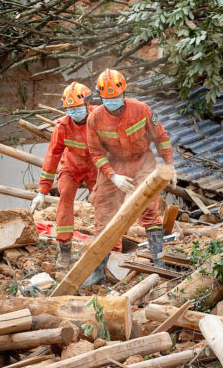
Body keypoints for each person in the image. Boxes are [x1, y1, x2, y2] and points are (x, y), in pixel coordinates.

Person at [84, 69, 175, 285]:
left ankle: (158, 263)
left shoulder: (141, 110)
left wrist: (169, 165)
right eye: (107, 99)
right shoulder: (94, 119)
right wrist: (113, 176)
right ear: (100, 98)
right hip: (113, 163)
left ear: (124, 93)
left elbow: (160, 137)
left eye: (115, 97)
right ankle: (98, 272)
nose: (112, 102)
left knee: (150, 210)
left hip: (142, 161)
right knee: (104, 216)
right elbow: (95, 153)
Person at [30, 82, 98, 270]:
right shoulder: (62, 126)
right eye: (70, 109)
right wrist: (42, 191)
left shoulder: (99, 118)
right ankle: (65, 251)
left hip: (96, 167)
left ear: (87, 104)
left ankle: (110, 249)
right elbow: (52, 157)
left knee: (103, 202)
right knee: (65, 197)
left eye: (77, 107)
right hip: (71, 166)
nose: (74, 112)